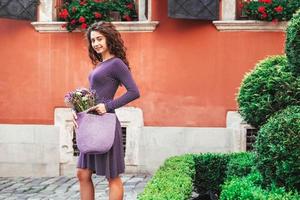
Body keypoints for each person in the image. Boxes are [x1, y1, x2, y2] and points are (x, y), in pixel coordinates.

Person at [72, 22, 140, 200]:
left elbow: (134, 92)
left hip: (105, 123)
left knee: (112, 176)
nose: (96, 43)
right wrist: (77, 110)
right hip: (90, 124)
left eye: (99, 39)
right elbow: (94, 95)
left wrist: (108, 106)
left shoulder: (116, 63)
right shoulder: (101, 64)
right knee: (83, 174)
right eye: (93, 40)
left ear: (109, 38)